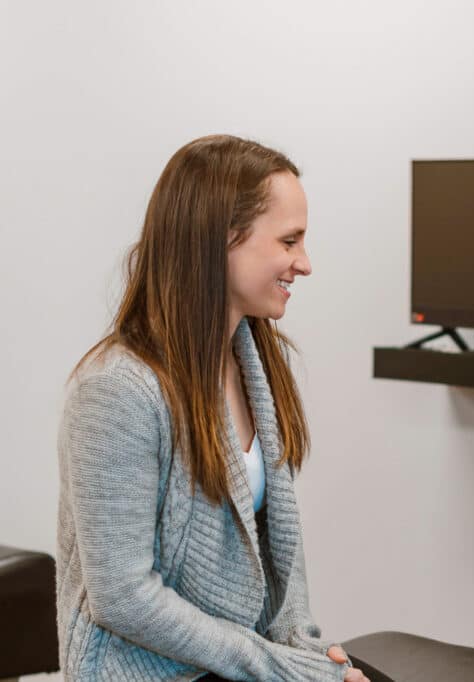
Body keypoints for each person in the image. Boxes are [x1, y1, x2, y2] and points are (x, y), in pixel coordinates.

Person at [56, 135, 386, 681]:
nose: (304, 263)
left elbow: (282, 550)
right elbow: (123, 597)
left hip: (230, 661)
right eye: (289, 241)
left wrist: (304, 648)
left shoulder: (257, 360)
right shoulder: (117, 390)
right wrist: (279, 668)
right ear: (222, 241)